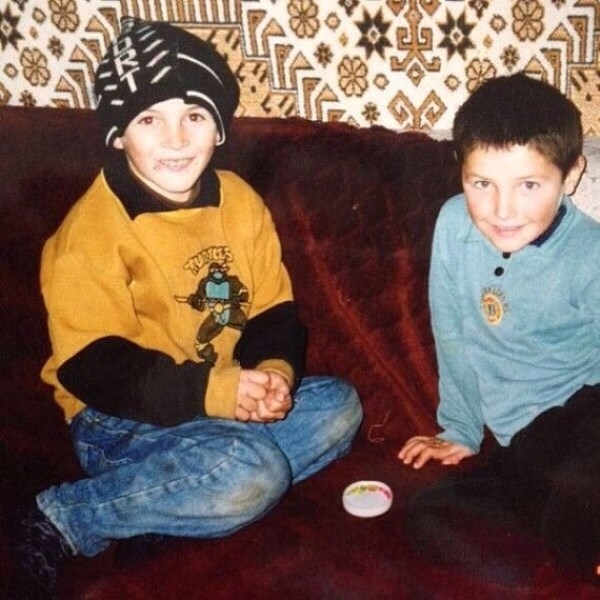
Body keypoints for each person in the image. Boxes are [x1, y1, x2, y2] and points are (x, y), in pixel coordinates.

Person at [10, 16, 362, 597]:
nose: (175, 140)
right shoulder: (90, 232)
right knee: (253, 470)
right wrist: (219, 394)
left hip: (214, 402)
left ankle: (172, 509)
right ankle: (63, 519)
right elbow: (94, 368)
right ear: (118, 135)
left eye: (194, 116)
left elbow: (272, 311)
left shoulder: (240, 202)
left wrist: (273, 375)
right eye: (149, 120)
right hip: (115, 418)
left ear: (219, 128)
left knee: (339, 408)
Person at [398, 73, 599, 584]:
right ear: (461, 172)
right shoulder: (454, 226)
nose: (502, 210)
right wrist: (461, 428)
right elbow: (452, 333)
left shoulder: (590, 253)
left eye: (529, 185)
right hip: (522, 447)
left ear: (570, 176)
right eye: (481, 184)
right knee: (428, 516)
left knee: (575, 497)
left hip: (584, 418)